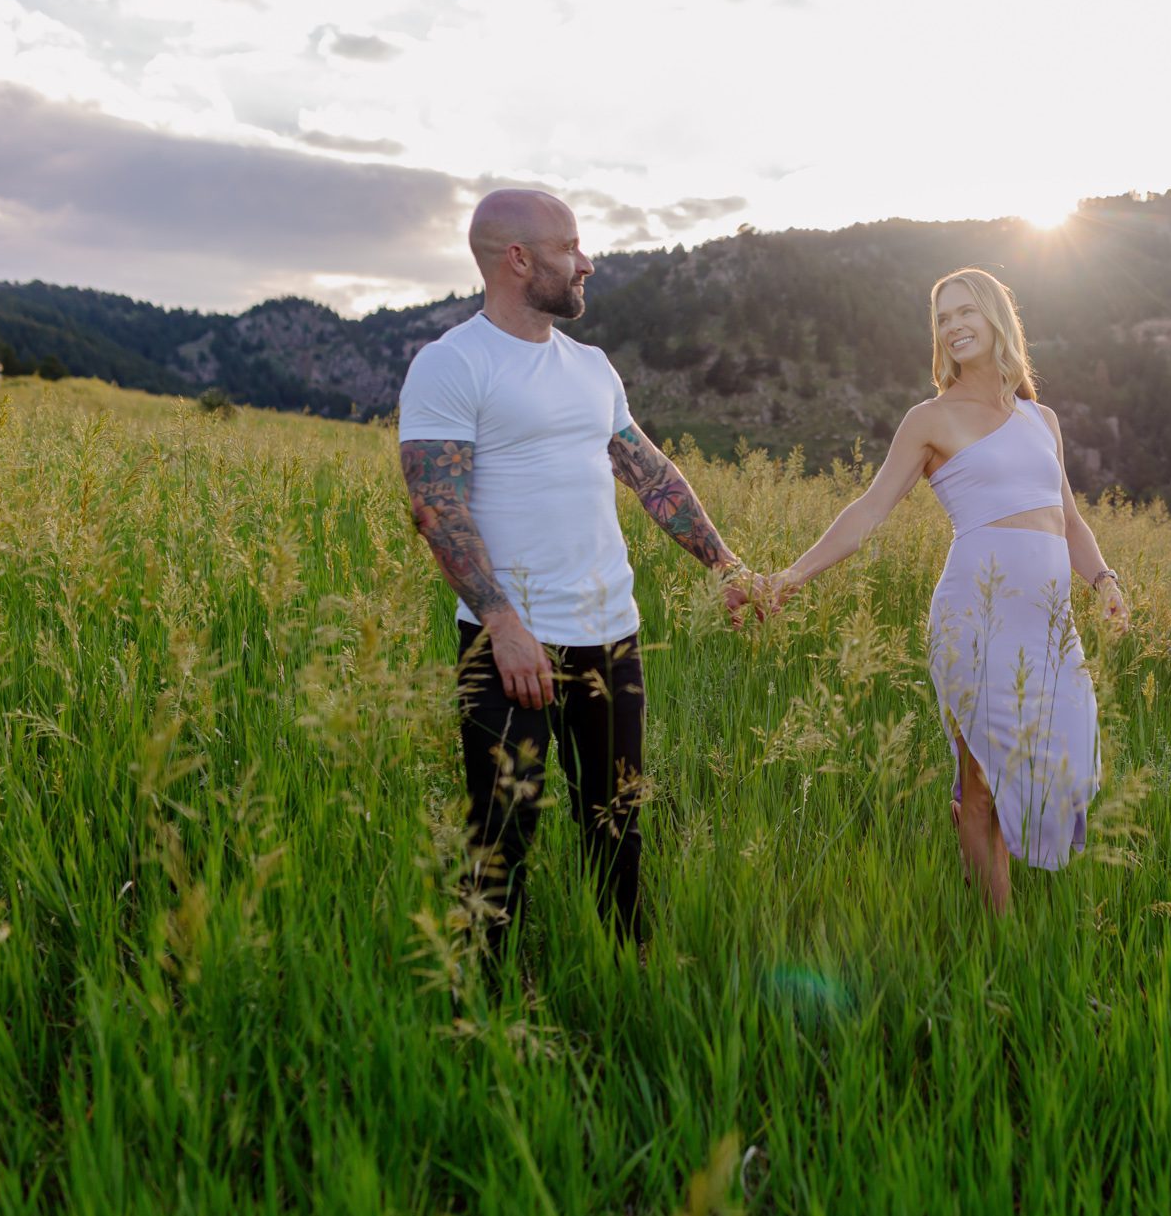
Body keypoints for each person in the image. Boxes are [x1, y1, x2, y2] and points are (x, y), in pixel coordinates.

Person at [397, 188, 755, 963]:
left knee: (618, 824)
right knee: (501, 838)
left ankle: (628, 975)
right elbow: (437, 508)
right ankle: (489, 1016)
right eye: (570, 247)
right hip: (510, 647)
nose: (586, 261)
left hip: (611, 637)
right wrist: (502, 624)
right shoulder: (452, 364)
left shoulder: (591, 366)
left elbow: (650, 473)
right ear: (517, 259)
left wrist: (725, 563)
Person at [766, 267, 1128, 913]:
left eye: (966, 312)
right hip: (975, 615)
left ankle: (999, 897)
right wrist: (792, 576)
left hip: (1049, 626)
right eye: (942, 317)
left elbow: (1068, 520)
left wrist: (1103, 579)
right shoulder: (929, 419)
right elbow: (868, 510)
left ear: (997, 320)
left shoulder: (1042, 419)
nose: (955, 325)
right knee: (982, 783)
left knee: (1066, 761)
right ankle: (997, 939)